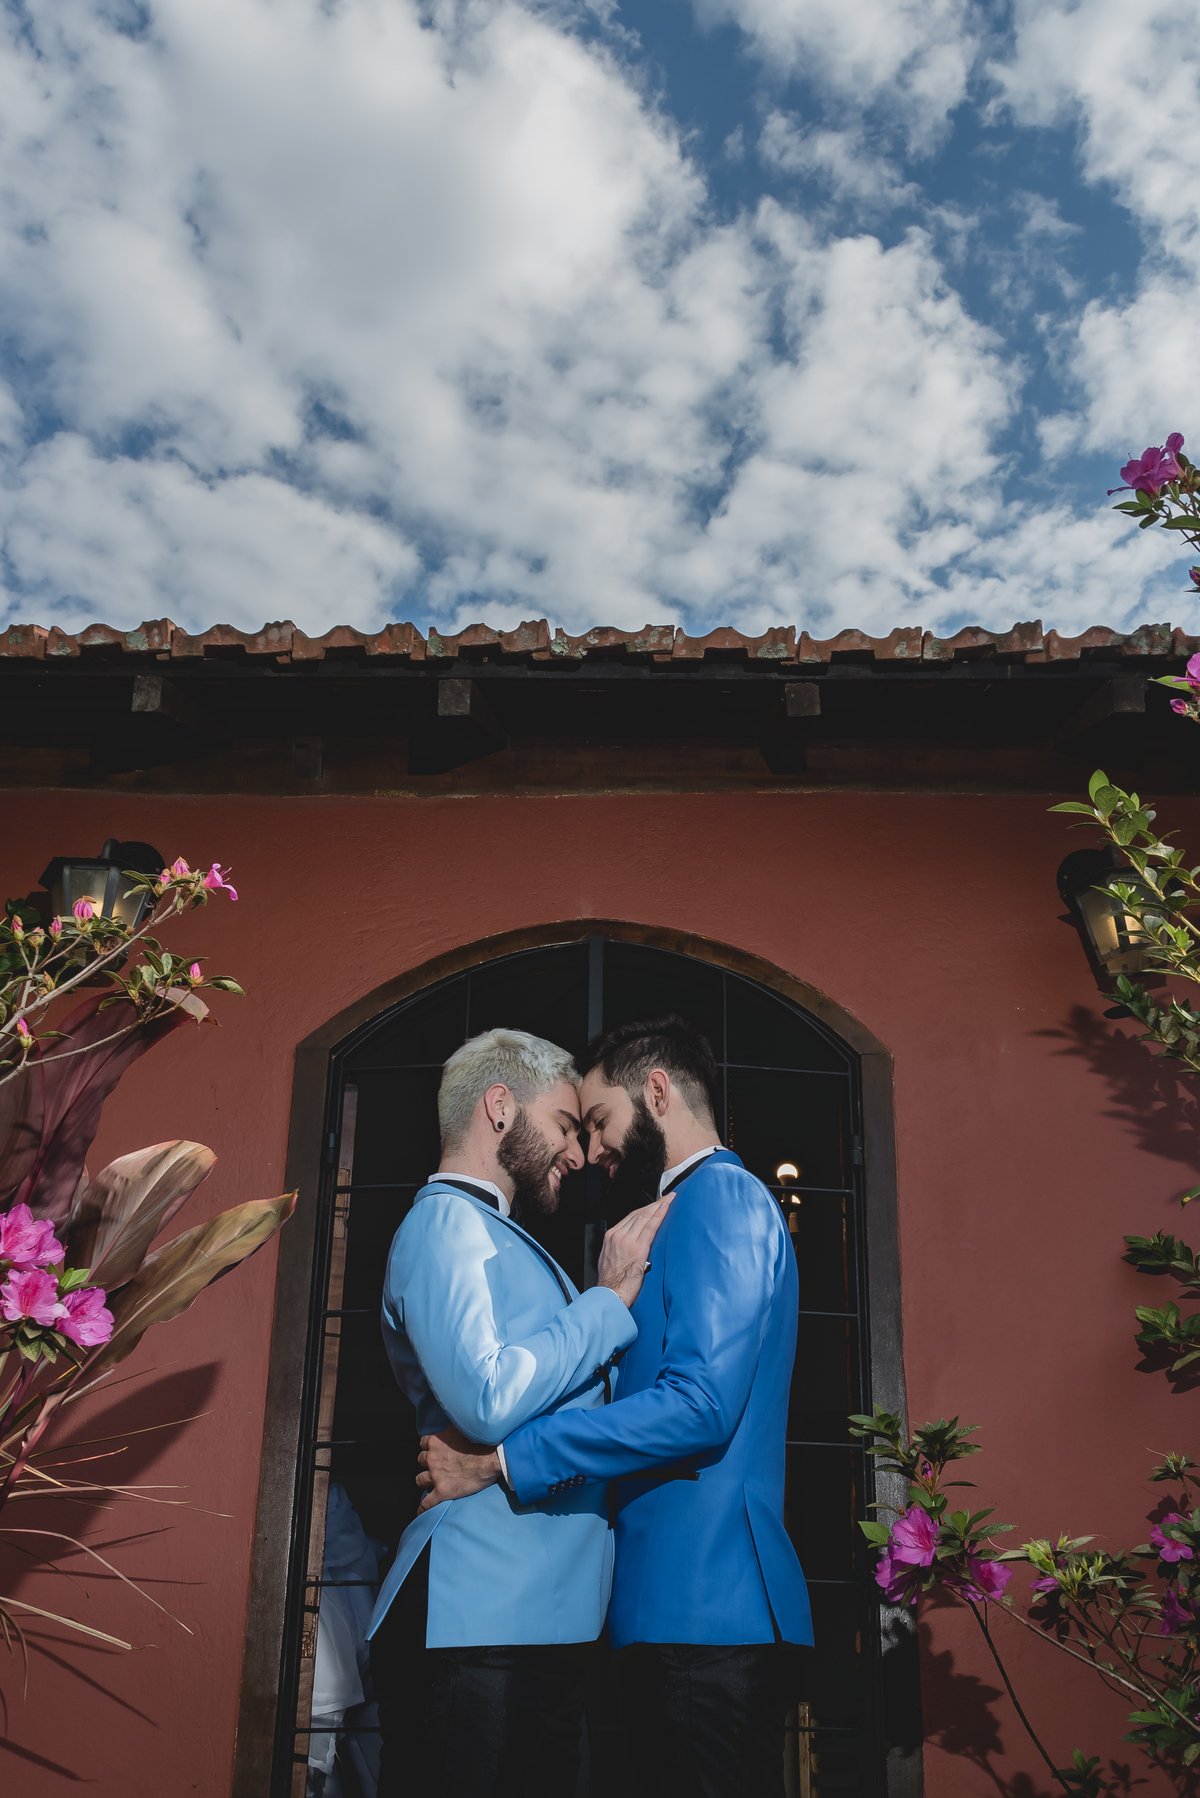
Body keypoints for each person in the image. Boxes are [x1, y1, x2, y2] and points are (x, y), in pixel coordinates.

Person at [417, 1014, 813, 1798]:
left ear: (657, 1092)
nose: (592, 1150)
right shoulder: (682, 1209)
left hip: (705, 1606)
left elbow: (699, 1405)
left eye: (599, 1121)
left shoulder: (723, 1197)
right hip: (669, 1610)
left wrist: (503, 1462)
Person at [365, 1026, 671, 1798]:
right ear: (500, 1106)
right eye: (565, 1125)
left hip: (532, 1620)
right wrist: (605, 1303)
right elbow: (488, 1397)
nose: (578, 1153)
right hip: (477, 1618)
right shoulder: (445, 1223)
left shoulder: (498, 1235)